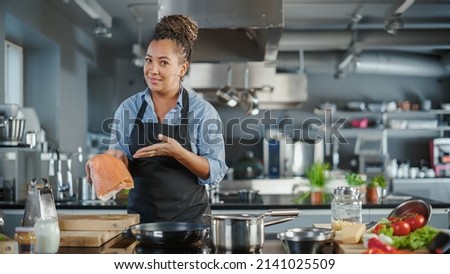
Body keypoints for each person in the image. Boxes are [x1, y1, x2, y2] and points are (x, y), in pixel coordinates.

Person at [102, 14, 228, 224]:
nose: (153, 70)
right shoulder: (129, 109)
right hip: (141, 224)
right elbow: (121, 161)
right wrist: (108, 163)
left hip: (192, 224)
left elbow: (215, 171)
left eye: (164, 62)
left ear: (182, 68)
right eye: (149, 60)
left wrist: (179, 153)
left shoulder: (202, 112)